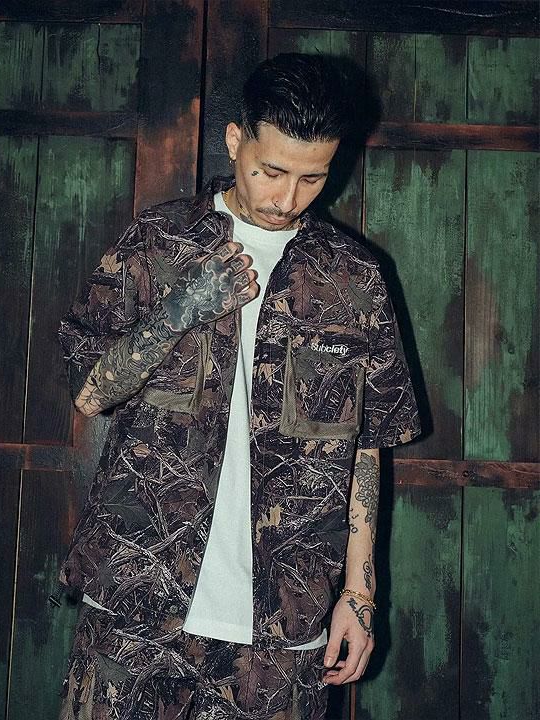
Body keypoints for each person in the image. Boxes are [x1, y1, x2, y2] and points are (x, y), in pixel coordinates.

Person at [56, 53, 421, 720]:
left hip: (282, 632)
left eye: (313, 178)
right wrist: (177, 312)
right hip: (137, 608)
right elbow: (89, 392)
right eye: (270, 172)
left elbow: (367, 448)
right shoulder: (158, 243)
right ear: (235, 140)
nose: (287, 198)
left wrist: (360, 594)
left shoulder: (355, 280)